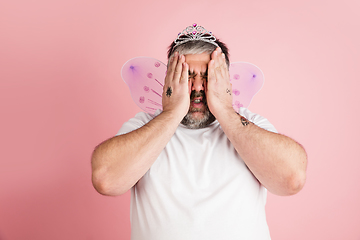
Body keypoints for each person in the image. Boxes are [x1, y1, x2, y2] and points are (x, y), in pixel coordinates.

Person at [91, 24, 307, 240]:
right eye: (187, 76)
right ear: (170, 79)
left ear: (225, 80)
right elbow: (106, 179)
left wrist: (224, 110)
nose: (197, 87)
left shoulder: (250, 124)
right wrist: (171, 113)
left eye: (207, 77)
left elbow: (292, 179)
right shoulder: (144, 126)